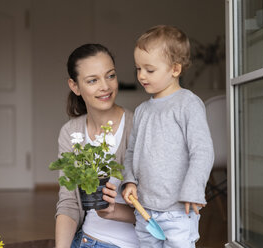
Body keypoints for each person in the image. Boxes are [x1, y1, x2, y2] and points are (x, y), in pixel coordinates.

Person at [121, 25, 214, 247]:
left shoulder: (188, 104)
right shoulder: (142, 110)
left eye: (149, 70)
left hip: (178, 211)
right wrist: (130, 180)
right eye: (138, 69)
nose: (141, 76)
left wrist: (193, 190)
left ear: (175, 69)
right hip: (145, 209)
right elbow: (132, 151)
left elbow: (202, 151)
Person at [55, 43, 139, 248]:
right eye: (93, 80)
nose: (105, 86)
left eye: (110, 76)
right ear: (75, 86)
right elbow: (69, 203)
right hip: (86, 241)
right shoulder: (70, 132)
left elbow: (162, 211)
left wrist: (113, 211)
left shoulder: (137, 126)